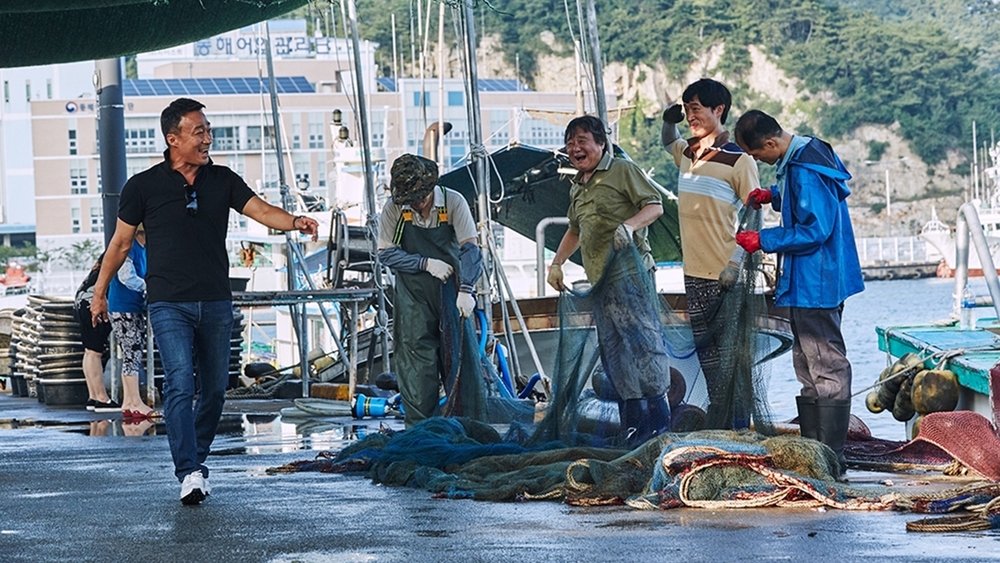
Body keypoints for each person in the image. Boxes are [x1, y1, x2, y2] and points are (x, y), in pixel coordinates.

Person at [90, 97, 319, 506]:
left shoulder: (223, 179)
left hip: (215, 300)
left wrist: (295, 222)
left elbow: (262, 211)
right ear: (172, 139)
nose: (208, 138)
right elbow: (121, 244)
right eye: (199, 132)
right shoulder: (142, 186)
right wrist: (99, 291)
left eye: (208, 130)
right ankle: (190, 471)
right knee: (180, 383)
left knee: (214, 390)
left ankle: (196, 459)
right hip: (168, 303)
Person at [733, 109, 864, 479]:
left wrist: (764, 240)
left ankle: (831, 458)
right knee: (806, 362)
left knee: (825, 362)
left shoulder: (805, 168)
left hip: (816, 282)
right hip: (811, 281)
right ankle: (816, 450)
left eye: (759, 155)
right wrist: (773, 195)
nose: (759, 160)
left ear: (771, 143)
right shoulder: (804, 153)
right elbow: (804, 199)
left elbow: (815, 229)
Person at [547, 115, 672, 446]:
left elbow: (654, 206)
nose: (576, 148)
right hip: (600, 282)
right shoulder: (578, 185)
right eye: (571, 142)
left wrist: (628, 226)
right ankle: (633, 423)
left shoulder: (622, 170)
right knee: (614, 352)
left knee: (643, 344)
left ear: (601, 143)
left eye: (583, 140)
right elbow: (574, 229)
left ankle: (659, 421)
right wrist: (556, 263)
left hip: (631, 275)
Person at [660, 78, 761, 429]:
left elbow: (754, 216)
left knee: (731, 359)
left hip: (724, 276)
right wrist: (668, 120)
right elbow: (669, 142)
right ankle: (724, 428)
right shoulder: (689, 153)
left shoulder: (739, 160)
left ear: (719, 110)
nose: (691, 115)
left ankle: (739, 428)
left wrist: (735, 264)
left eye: (697, 108)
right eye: (687, 108)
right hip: (693, 273)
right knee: (708, 360)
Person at [376, 153, 482, 427]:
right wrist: (423, 263)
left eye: (419, 198)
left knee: (461, 364)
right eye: (409, 199)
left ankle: (466, 431)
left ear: (430, 187)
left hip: (451, 292)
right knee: (416, 365)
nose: (415, 204)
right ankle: (422, 431)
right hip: (413, 295)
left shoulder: (453, 202)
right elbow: (386, 254)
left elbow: (470, 248)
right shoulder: (395, 209)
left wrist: (467, 289)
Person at [107, 224, 156, 420]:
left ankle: (129, 401)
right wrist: (151, 286)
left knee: (131, 352)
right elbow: (126, 276)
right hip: (123, 306)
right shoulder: (130, 248)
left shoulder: (142, 249)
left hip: (132, 306)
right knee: (132, 352)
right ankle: (134, 402)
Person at [74, 253, 118, 412]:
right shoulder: (118, 257)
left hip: (82, 301)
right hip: (94, 303)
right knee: (95, 352)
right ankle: (101, 398)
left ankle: (93, 396)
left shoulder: (97, 269)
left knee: (90, 351)